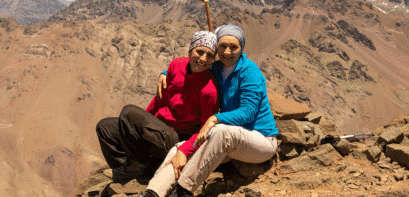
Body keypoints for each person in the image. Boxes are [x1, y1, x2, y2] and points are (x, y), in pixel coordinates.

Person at [139, 23, 278, 197]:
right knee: (181, 148)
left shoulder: (250, 72)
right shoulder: (217, 68)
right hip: (227, 143)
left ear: (242, 48)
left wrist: (214, 118)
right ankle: (153, 193)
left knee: (219, 131)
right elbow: (191, 66)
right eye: (222, 46)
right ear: (217, 47)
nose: (227, 52)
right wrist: (165, 72)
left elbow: (248, 112)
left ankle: (183, 191)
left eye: (233, 47)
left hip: (260, 142)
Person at [95, 31, 219, 182]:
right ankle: (127, 170)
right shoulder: (176, 65)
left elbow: (204, 130)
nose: (203, 59)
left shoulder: (209, 90)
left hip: (175, 138)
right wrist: (140, 122)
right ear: (190, 50)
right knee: (105, 127)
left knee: (129, 112)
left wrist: (184, 151)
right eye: (199, 52)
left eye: (210, 55)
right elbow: (159, 99)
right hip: (158, 127)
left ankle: (138, 165)